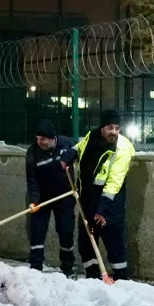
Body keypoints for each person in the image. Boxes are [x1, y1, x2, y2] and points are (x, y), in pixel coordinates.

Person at [62, 108, 135, 280]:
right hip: (88, 199)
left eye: (117, 128)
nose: (114, 132)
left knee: (113, 243)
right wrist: (70, 154)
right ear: (102, 127)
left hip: (110, 203)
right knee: (87, 241)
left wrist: (102, 209)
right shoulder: (92, 137)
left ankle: (121, 279)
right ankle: (93, 277)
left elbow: (114, 183)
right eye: (110, 128)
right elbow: (81, 146)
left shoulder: (122, 149)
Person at [25, 119, 77, 275]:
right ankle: (35, 268)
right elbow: (31, 180)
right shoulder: (32, 152)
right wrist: (34, 201)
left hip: (65, 196)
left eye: (43, 139)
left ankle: (67, 268)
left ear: (52, 138)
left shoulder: (66, 143)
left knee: (66, 231)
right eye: (37, 139)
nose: (39, 142)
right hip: (42, 197)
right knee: (37, 232)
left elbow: (80, 148)